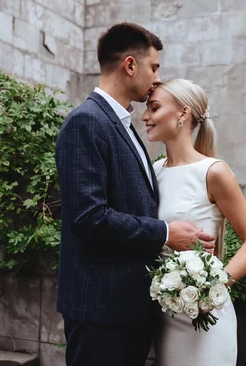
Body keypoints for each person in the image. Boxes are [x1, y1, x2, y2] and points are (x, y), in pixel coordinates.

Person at [54, 23, 217, 366]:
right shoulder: (86, 122)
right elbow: (89, 217)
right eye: (153, 67)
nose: (157, 78)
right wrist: (166, 233)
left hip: (130, 308)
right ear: (130, 65)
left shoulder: (124, 126)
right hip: (100, 311)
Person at [141, 79, 246, 365]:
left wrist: (211, 291)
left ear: (183, 114)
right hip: (164, 315)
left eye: (154, 107)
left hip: (205, 318)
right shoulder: (153, 171)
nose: (145, 116)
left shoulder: (213, 172)